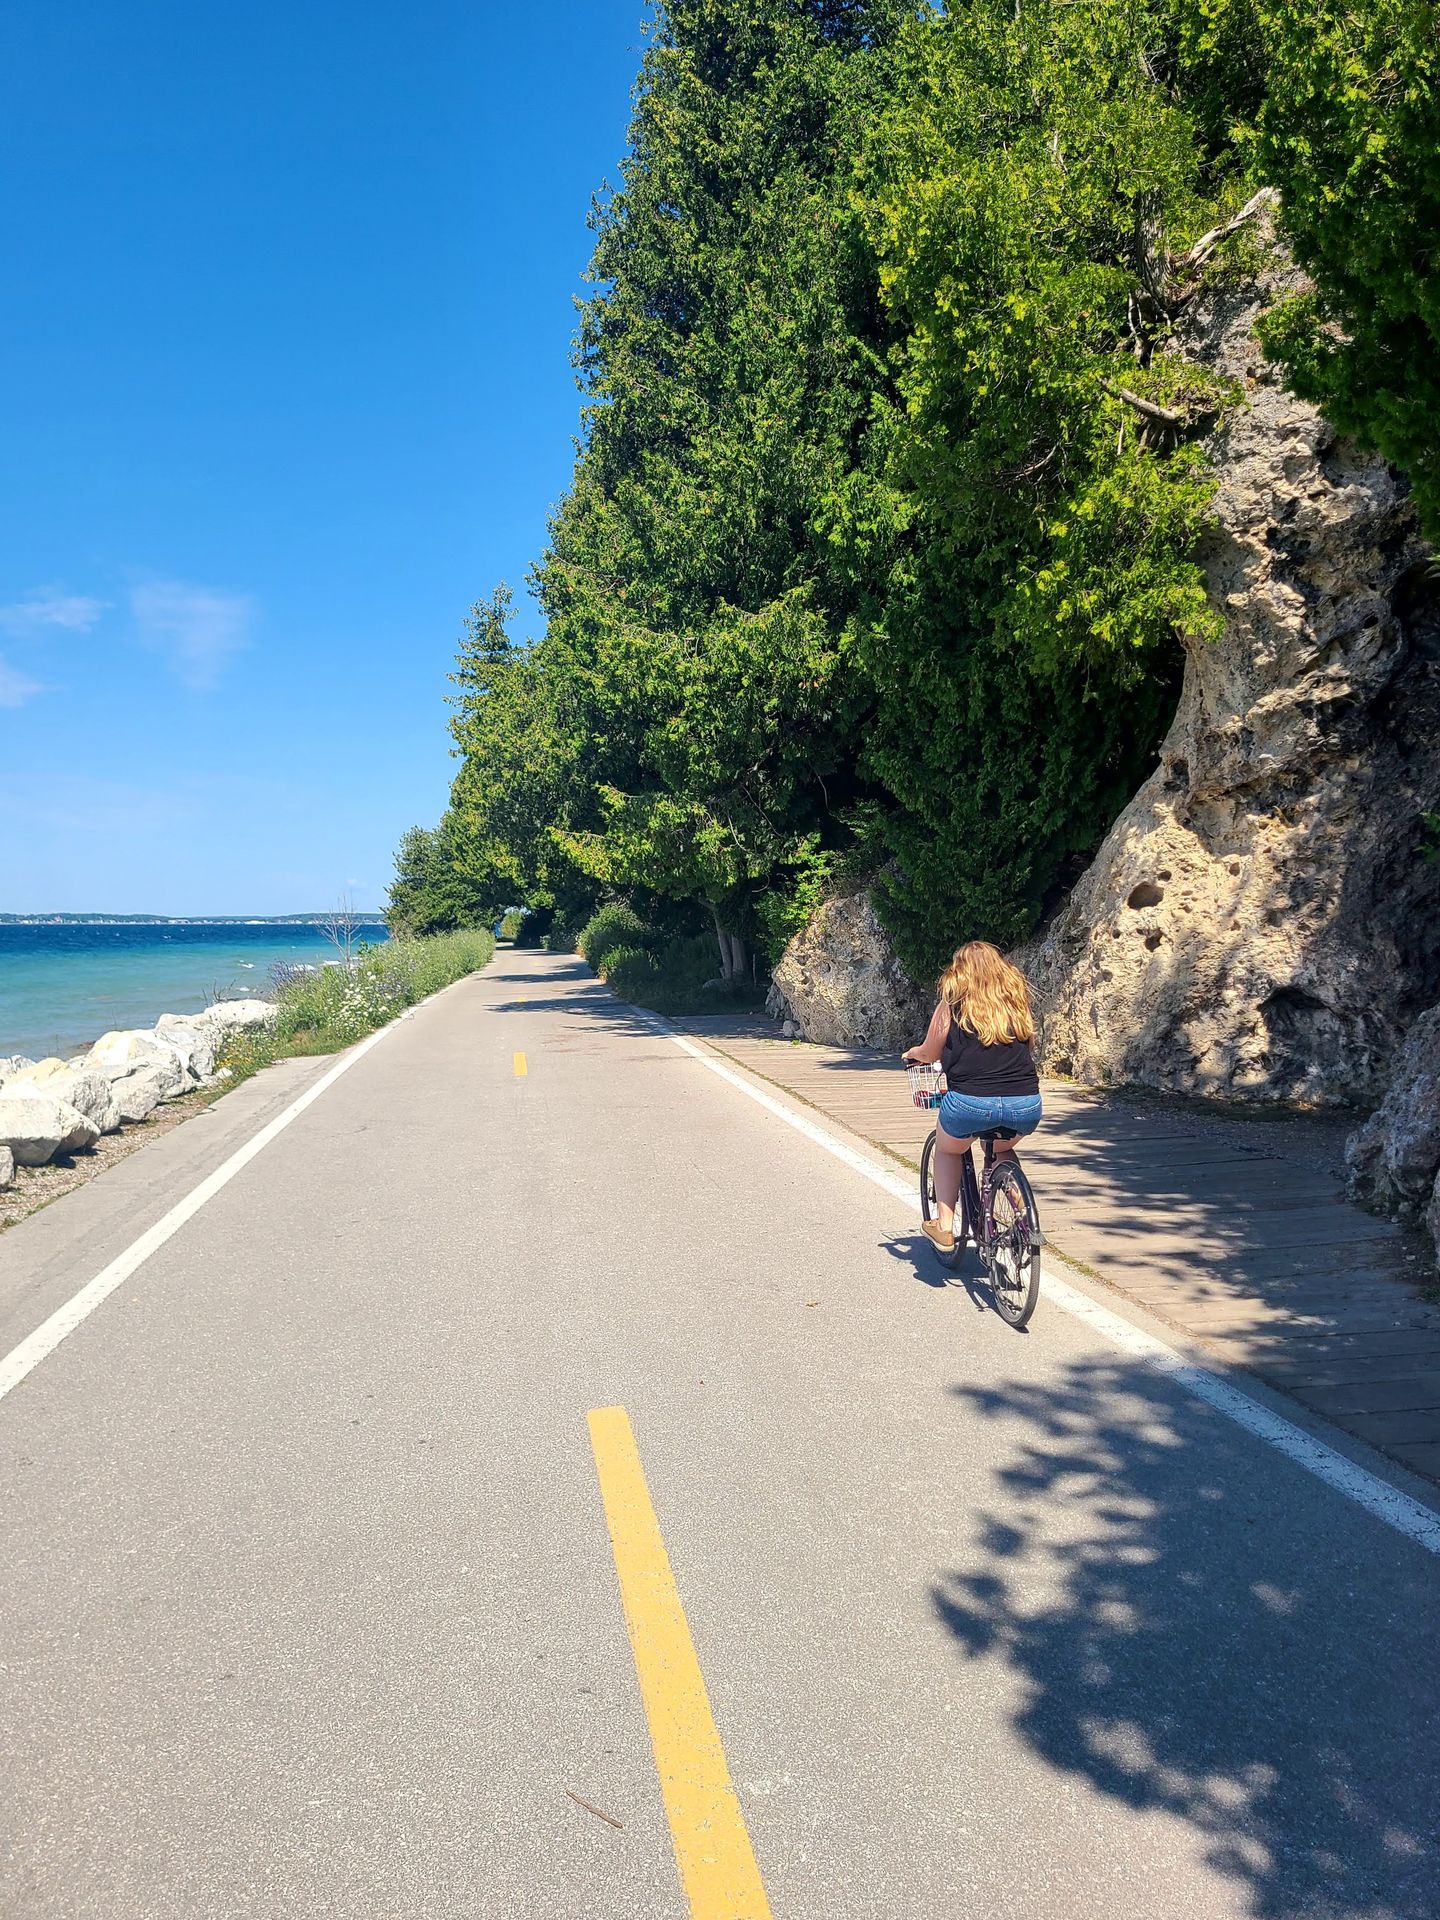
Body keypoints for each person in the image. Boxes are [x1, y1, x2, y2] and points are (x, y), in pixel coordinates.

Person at [903, 940, 1042, 1253]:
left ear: (959, 972)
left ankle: (944, 1226)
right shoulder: (1016, 1003)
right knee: (1002, 1149)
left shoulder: (952, 1003)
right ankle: (1024, 1220)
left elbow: (929, 1052)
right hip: (1026, 1104)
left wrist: (913, 1053)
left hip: (971, 1103)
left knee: (949, 1149)